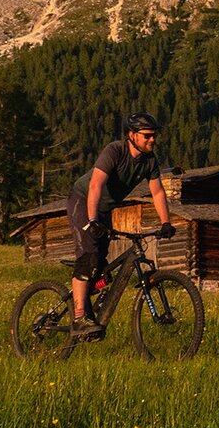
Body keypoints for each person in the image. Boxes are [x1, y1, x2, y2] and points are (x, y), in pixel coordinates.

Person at [67, 113, 175, 340]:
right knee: (89, 259)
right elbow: (96, 185)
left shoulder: (150, 161)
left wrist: (166, 222)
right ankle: (78, 318)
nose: (152, 140)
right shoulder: (115, 151)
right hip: (83, 200)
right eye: (147, 136)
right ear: (132, 135)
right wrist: (93, 220)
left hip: (104, 210)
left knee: (102, 268)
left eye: (154, 136)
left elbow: (157, 192)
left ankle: (87, 300)